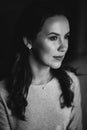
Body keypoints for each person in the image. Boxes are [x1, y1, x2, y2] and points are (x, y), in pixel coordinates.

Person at [0, 1, 82, 130]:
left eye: (66, 36)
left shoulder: (71, 82)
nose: (64, 46)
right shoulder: (3, 93)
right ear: (28, 41)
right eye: (53, 38)